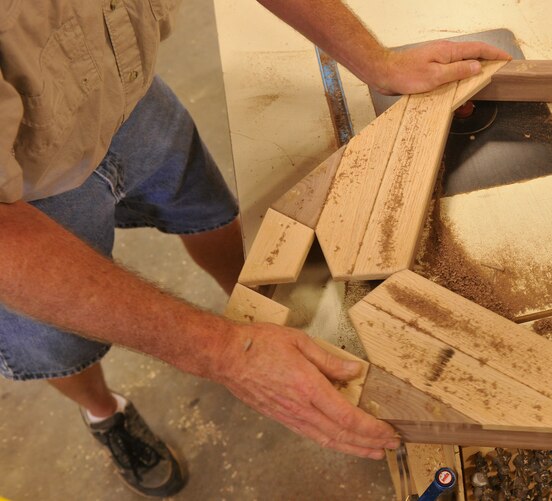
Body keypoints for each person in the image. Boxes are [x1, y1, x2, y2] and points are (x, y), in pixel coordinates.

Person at [0, 0, 510, 496]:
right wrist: (225, 352)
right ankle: (105, 412)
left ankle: (260, 314)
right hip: (20, 191)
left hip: (126, 97)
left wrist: (379, 63)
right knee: (58, 343)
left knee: (209, 216)